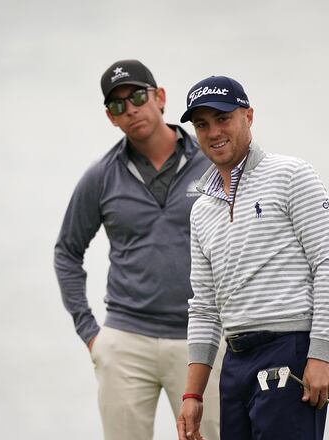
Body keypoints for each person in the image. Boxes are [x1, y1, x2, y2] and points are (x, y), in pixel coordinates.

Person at [54, 60, 222, 440]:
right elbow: (67, 252)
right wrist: (91, 334)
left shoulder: (212, 163)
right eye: (117, 105)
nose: (130, 109)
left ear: (160, 98)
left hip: (203, 339)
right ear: (111, 118)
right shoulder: (101, 176)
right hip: (126, 340)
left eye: (137, 96)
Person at [176, 75, 329, 440]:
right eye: (203, 125)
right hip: (234, 361)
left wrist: (321, 356)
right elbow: (205, 307)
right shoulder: (201, 210)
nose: (214, 132)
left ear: (248, 117)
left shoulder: (291, 175)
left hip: (289, 351)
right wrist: (193, 393)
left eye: (223, 119)